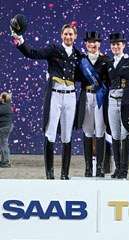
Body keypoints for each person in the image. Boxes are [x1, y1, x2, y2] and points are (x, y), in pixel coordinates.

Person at [11, 23, 81, 179]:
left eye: (71, 34)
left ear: (75, 37)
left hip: (70, 96)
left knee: (67, 135)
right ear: (61, 35)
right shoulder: (53, 50)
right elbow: (32, 53)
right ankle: (49, 174)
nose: (68, 37)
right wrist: (19, 39)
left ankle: (65, 174)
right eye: (66, 34)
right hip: (55, 95)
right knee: (50, 134)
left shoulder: (78, 55)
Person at [107, 32, 129, 179]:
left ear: (123, 45)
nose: (116, 47)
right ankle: (117, 168)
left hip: (125, 101)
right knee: (115, 134)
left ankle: (124, 169)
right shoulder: (109, 64)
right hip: (111, 100)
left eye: (118, 44)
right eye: (113, 44)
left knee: (124, 134)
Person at [77, 31, 111, 177]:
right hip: (86, 97)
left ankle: (100, 167)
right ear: (86, 44)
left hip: (100, 97)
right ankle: (88, 167)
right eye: (90, 42)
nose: (92, 44)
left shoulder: (107, 60)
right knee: (87, 131)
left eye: (95, 42)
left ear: (99, 44)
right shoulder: (81, 61)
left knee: (100, 131)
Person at [0, 92, 13, 168]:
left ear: (3, 99)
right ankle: (4, 161)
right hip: (5, 127)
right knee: (3, 143)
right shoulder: (6, 106)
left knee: (3, 144)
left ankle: (5, 162)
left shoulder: (4, 107)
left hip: (4, 127)